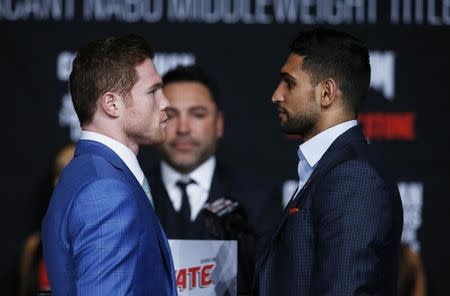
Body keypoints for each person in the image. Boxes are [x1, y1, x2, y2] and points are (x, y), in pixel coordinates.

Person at [253, 28, 403, 295]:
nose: (276, 95)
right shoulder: (329, 168)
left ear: (326, 93)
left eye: (289, 83)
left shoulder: (353, 176)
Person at [41, 35, 177, 295]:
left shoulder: (89, 173)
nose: (165, 102)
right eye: (153, 91)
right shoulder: (105, 191)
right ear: (112, 104)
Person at [146, 65, 281, 294]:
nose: (183, 129)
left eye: (197, 114)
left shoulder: (257, 198)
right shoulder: (131, 193)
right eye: (170, 115)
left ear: (218, 123)